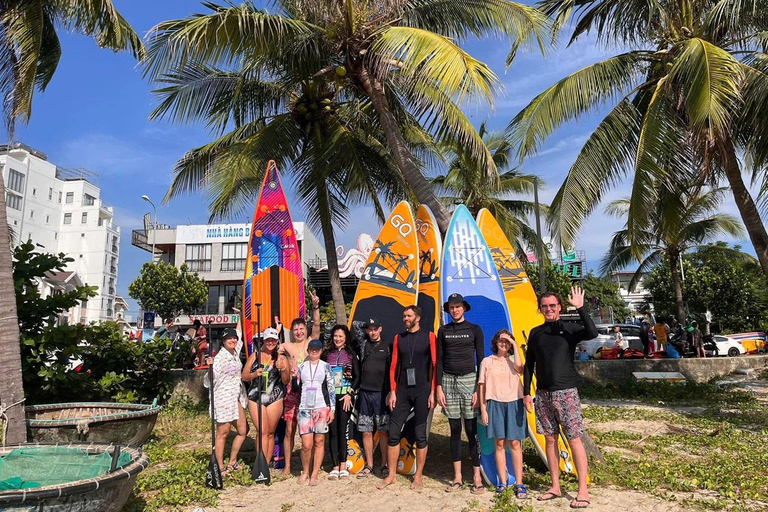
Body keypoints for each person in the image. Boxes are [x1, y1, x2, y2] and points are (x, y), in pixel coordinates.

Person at [523, 286, 597, 509]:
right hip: (543, 393)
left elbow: (592, 333)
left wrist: (581, 308)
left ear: (559, 307)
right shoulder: (536, 333)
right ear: (540, 308)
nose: (548, 309)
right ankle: (555, 486)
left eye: (552, 305)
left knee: (574, 438)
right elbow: (529, 365)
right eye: (544, 306)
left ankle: (582, 490)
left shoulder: (569, 329)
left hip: (566, 391)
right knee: (550, 439)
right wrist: (527, 392)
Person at [378, 305, 437, 491]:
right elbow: (393, 366)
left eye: (408, 315)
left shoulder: (429, 337)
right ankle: (391, 475)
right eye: (404, 316)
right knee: (393, 432)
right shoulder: (398, 338)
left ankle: (418, 476)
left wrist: (433, 392)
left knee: (420, 435)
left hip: (422, 391)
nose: (405, 318)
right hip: (402, 391)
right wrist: (393, 391)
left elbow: (435, 365)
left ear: (417, 318)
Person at [436, 293, 485, 495]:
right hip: (448, 381)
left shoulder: (475, 329)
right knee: (454, 430)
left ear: (464, 308)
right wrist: (439, 386)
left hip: (469, 380)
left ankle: (476, 477)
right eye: (451, 307)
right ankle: (457, 477)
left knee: (472, 431)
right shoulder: (443, 330)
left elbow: (481, 360)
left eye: (458, 306)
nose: (455, 310)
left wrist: (478, 389)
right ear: (448, 310)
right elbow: (439, 360)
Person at [478, 329, 527, 497]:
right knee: (499, 444)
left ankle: (519, 483)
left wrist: (514, 343)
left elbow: (520, 369)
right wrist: (483, 409)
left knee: (514, 444)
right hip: (494, 404)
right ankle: (502, 482)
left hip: (514, 403)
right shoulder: (487, 361)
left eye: (507, 341)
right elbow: (482, 386)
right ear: (495, 342)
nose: (503, 343)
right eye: (501, 340)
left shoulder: (514, 360)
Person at [279, 290, 321, 476]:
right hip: (292, 391)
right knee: (289, 430)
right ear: (292, 331)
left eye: (301, 328)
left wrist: (316, 306)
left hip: (310, 392)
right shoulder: (287, 346)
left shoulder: (311, 342)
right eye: (295, 329)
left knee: (310, 432)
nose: (298, 331)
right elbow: (274, 352)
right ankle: (287, 466)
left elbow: (317, 325)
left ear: (305, 329)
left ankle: (310, 467)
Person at [242, 327, 291, 464]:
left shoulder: (281, 358)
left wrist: (283, 369)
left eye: (273, 340)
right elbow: (244, 376)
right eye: (268, 340)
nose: (270, 343)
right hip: (256, 397)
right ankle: (260, 462)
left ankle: (266, 465)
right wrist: (253, 374)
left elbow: (286, 381)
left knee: (270, 432)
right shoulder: (255, 356)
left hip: (274, 398)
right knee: (262, 431)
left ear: (277, 341)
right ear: (264, 340)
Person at [205, 328, 248, 477]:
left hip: (235, 397)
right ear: (223, 341)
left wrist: (240, 312)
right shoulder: (220, 357)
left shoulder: (235, 352)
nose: (233, 340)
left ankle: (232, 461)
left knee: (243, 430)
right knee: (223, 433)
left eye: (234, 338)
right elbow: (211, 378)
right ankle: (220, 466)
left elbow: (239, 334)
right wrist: (210, 366)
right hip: (222, 398)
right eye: (229, 338)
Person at [351, 318, 391, 479]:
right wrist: (367, 325)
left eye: (375, 329)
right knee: (366, 432)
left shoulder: (388, 346)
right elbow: (355, 324)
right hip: (365, 393)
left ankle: (385, 464)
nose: (373, 332)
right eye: (370, 330)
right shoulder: (363, 345)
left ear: (381, 329)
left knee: (383, 431)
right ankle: (369, 464)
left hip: (382, 394)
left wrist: (390, 391)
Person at [322, 325, 360, 480]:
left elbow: (358, 376)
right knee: (332, 431)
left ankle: (343, 464)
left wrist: (350, 393)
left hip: (345, 397)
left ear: (346, 338)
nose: (337, 339)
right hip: (329, 398)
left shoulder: (351, 354)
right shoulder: (326, 354)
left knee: (342, 430)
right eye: (335, 336)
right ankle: (335, 466)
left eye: (341, 336)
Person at [297, 338, 335, 486]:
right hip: (305, 408)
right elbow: (296, 387)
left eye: (317, 349)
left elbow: (331, 388)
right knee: (306, 444)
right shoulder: (302, 367)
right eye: (312, 349)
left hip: (321, 407)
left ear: (321, 351)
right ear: (308, 351)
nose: (314, 351)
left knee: (319, 441)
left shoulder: (326, 367)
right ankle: (305, 470)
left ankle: (315, 473)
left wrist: (332, 409)